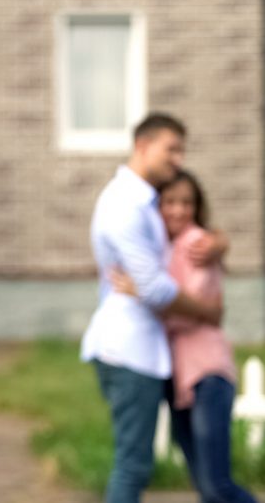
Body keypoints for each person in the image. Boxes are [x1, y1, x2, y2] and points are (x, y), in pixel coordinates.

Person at [80, 113, 224, 503]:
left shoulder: (146, 201)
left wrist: (219, 242)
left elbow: (182, 246)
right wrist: (208, 313)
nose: (178, 159)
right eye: (171, 149)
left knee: (150, 463)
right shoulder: (124, 204)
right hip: (128, 349)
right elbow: (155, 288)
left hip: (148, 349)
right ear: (143, 146)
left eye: (182, 150)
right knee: (133, 465)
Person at [111, 170, 259, 503]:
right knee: (206, 488)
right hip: (179, 379)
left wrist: (143, 292)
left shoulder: (196, 244)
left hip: (208, 373)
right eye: (170, 202)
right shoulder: (162, 246)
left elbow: (192, 307)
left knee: (216, 485)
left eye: (187, 203)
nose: (178, 210)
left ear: (198, 207)